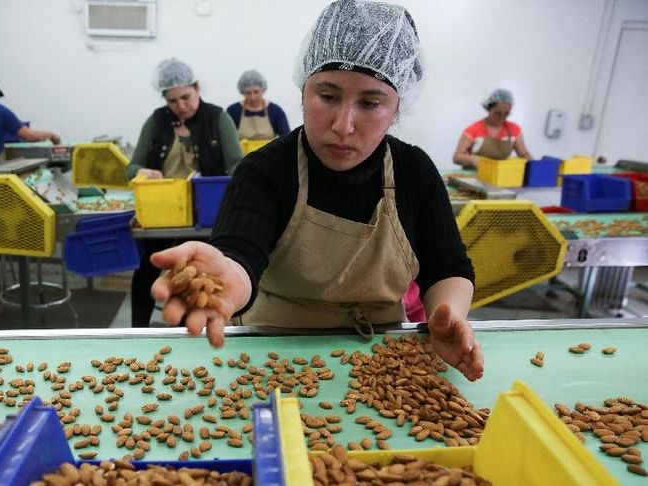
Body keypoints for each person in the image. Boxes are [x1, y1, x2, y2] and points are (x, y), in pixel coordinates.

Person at [149, 0, 483, 382]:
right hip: (271, 356)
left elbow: (448, 269)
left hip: (384, 363)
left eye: (371, 103)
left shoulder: (415, 173)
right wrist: (224, 278)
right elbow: (241, 254)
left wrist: (450, 315)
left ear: (398, 108)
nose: (343, 125)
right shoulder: (264, 171)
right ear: (303, 89)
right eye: (327, 96)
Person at [127, 58, 243, 327]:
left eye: (185, 97)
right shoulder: (156, 122)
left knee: (197, 275)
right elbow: (131, 167)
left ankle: (189, 330)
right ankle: (138, 330)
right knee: (148, 268)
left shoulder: (218, 118)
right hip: (163, 213)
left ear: (197, 87)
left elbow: (238, 166)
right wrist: (143, 171)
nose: (180, 106)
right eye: (172, 101)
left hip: (206, 214)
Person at [453, 89, 532, 170]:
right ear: (489, 109)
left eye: (506, 113)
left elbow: (523, 155)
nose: (502, 117)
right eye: (498, 113)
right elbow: (457, 157)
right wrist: (472, 159)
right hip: (473, 176)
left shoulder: (514, 130)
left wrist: (535, 168)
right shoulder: (474, 129)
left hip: (499, 177)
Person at [226, 70, 291, 140]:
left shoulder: (275, 111)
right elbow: (227, 138)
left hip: (269, 151)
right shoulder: (233, 111)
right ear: (242, 92)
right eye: (248, 93)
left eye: (256, 92)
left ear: (263, 90)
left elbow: (286, 138)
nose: (252, 97)